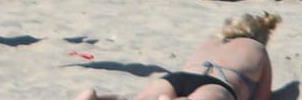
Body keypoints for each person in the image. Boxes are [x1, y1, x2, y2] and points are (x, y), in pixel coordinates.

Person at [73, 12, 279, 100]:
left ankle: (96, 98)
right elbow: (262, 97)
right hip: (218, 83)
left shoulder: (211, 41)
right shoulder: (258, 48)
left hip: (177, 78)